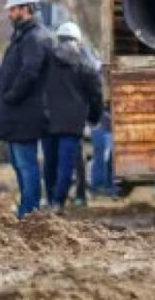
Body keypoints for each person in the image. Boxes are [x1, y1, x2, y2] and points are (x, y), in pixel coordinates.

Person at [0, 0, 52, 218]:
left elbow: (29, 72)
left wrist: (11, 95)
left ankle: (29, 212)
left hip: (26, 115)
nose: (9, 14)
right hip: (18, 115)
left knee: (27, 165)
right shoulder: (24, 36)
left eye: (13, 9)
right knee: (20, 165)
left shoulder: (34, 37)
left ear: (26, 9)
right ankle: (27, 209)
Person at [42, 22, 103, 211]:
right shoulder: (85, 64)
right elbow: (96, 94)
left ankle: (51, 198)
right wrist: (93, 118)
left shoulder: (46, 62)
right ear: (77, 41)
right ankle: (59, 202)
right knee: (66, 165)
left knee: (49, 162)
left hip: (47, 119)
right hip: (72, 123)